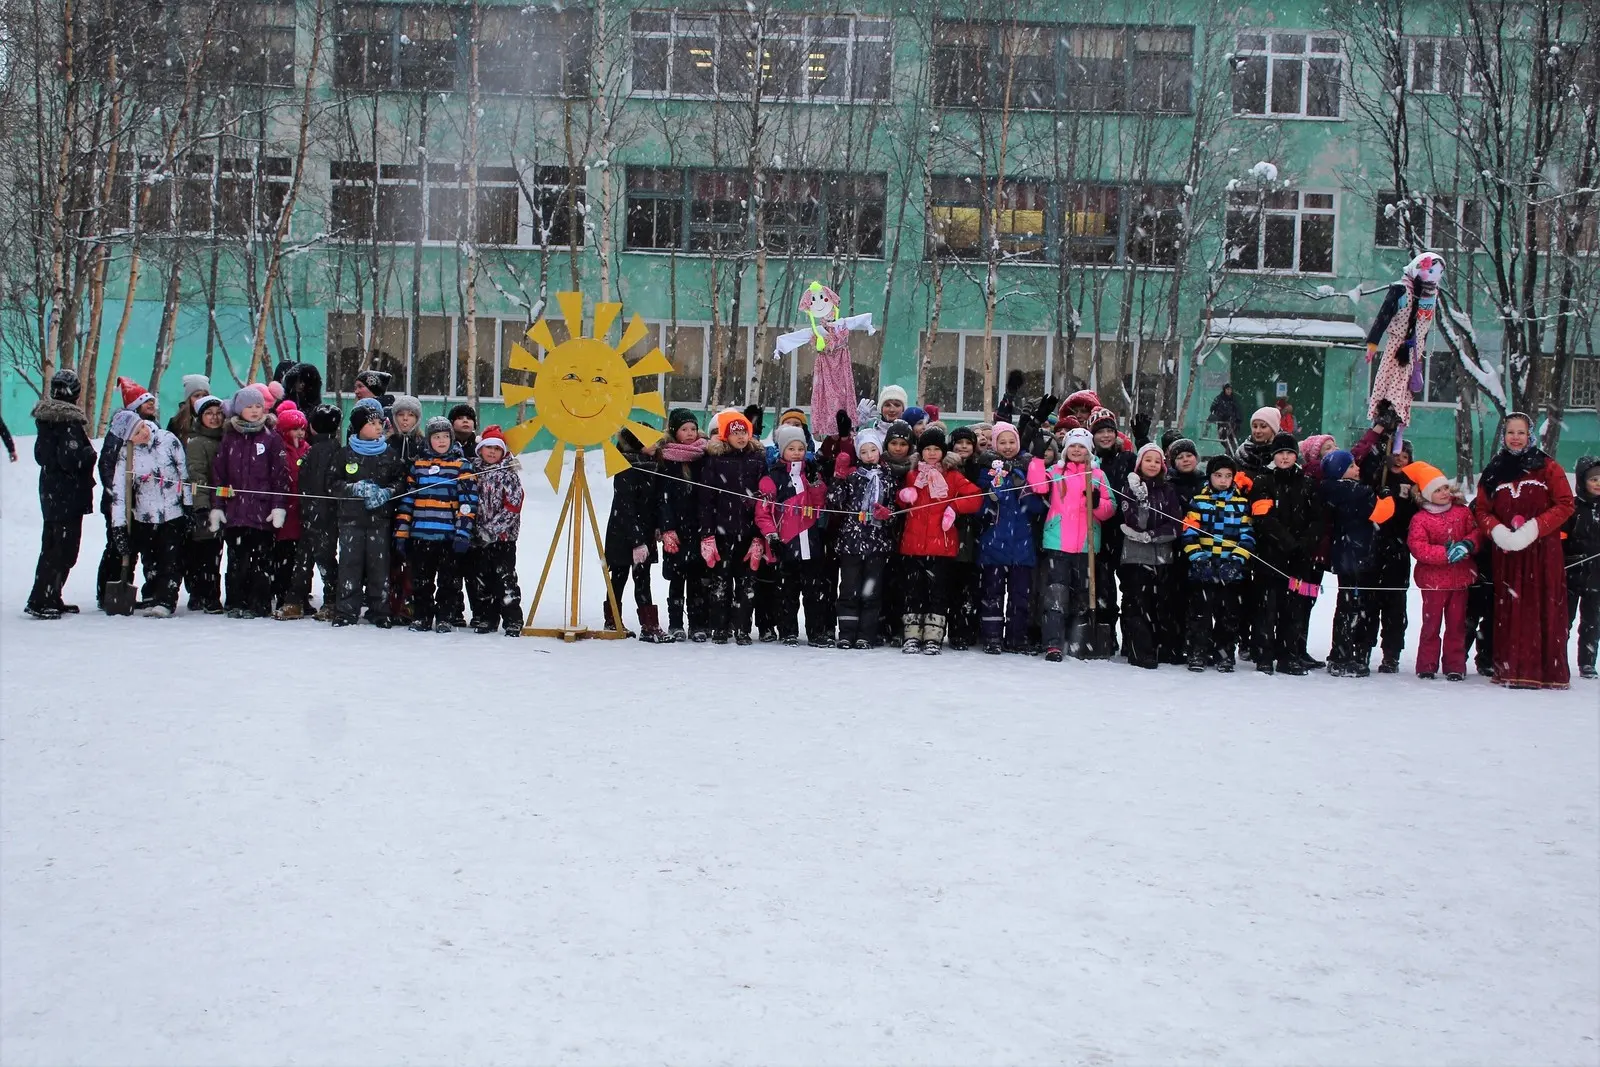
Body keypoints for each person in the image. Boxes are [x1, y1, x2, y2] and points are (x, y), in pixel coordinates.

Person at [1472, 414, 1574, 689]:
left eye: (1520, 432)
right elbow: (1481, 510)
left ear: (1530, 435)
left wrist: (1534, 528)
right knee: (1511, 607)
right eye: (1510, 432)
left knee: (1543, 606)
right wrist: (1498, 532)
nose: (1515, 437)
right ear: (1503, 435)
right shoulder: (1494, 470)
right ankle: (1512, 669)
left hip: (1543, 551)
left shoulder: (1548, 467)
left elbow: (1565, 504)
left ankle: (1545, 671)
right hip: (1508, 554)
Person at [895, 427, 983, 655]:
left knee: (938, 592)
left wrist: (955, 507)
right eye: (927, 449)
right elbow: (902, 502)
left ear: (943, 452)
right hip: (913, 546)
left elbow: (975, 497)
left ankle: (934, 636)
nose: (932, 453)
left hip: (942, 546)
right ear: (921, 452)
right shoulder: (913, 475)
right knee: (914, 591)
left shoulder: (952, 476)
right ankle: (912, 635)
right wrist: (904, 497)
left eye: (936, 449)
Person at [1034, 427, 1115, 661]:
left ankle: (1079, 640)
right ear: (1066, 449)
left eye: (1082, 446)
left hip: (1087, 545)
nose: (1077, 450)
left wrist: (1098, 503)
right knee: (1056, 595)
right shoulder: (1055, 471)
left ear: (1089, 450)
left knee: (1083, 595)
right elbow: (1038, 487)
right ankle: (1053, 643)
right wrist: (1038, 460)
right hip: (1057, 542)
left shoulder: (1098, 475)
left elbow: (1110, 510)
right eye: (1073, 446)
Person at [1246, 432, 1323, 675]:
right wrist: (1287, 542)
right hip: (1270, 556)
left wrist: (1305, 545)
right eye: (1280, 453)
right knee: (1268, 608)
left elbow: (1318, 519)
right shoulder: (1263, 482)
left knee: (1295, 608)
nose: (1285, 457)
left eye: (1289, 453)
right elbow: (1263, 518)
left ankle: (1289, 655)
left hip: (1300, 559)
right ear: (1273, 455)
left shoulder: (1308, 483)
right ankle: (1265, 655)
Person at [211, 385, 290, 619]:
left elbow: (280, 476)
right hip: (235, 513)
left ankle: (259, 603)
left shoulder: (271, 438)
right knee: (237, 560)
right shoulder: (229, 439)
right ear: (239, 409)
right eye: (249, 407)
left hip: (261, 512)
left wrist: (278, 506)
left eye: (258, 406)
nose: (255, 411)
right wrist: (217, 506)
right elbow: (219, 475)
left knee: (261, 561)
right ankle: (236, 601)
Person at [25, 368, 96, 619]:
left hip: (52, 492)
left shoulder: (47, 421)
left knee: (53, 546)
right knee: (62, 549)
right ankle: (43, 598)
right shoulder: (68, 422)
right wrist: (89, 455)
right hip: (67, 494)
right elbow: (71, 458)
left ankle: (48, 595)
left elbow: (42, 456)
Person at [395, 416, 477, 634]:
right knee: (421, 581)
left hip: (448, 537)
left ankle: (444, 617)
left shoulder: (461, 466)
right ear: (428, 440)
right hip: (421, 535)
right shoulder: (418, 466)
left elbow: (468, 503)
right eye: (436, 437)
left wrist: (463, 532)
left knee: (448, 582)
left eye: (445, 437)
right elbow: (407, 502)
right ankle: (422, 616)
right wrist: (402, 532)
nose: (441, 441)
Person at [328, 404, 405, 627]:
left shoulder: (389, 454)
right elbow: (331, 484)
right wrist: (354, 489)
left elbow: (400, 481)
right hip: (350, 520)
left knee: (378, 567)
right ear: (359, 427)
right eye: (372, 423)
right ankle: (346, 610)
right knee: (349, 565)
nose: (378, 427)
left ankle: (380, 610)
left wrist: (387, 493)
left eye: (380, 423)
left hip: (379, 520)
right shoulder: (345, 453)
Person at [106, 414, 191, 617]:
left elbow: (184, 475)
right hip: (144, 515)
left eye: (142, 426)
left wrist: (188, 506)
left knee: (171, 559)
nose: (143, 433)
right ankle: (152, 595)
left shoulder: (168, 440)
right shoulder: (127, 455)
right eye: (136, 433)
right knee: (151, 559)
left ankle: (166, 600)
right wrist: (118, 527)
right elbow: (120, 494)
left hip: (173, 512)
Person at [1405, 461, 1482, 680]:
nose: (1443, 493)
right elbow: (1419, 547)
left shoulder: (1462, 513)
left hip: (1459, 579)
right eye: (1437, 490)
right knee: (1431, 624)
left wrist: (1466, 545)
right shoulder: (1420, 519)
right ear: (1426, 494)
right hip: (1433, 582)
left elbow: (1476, 534)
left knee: (1457, 624)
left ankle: (1455, 665)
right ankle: (1427, 664)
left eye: (1445, 487)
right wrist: (1445, 554)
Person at [1351, 422, 1418, 673]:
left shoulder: (1413, 484)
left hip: (1398, 551)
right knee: (1368, 602)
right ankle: (1362, 648)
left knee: (1395, 605)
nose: (1399, 460)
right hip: (1372, 548)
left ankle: (1391, 652)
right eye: (1396, 455)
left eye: (1405, 456)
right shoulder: (1375, 477)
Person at [696, 409, 767, 644]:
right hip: (722, 532)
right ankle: (720, 627)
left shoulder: (757, 460)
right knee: (720, 583)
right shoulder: (714, 460)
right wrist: (707, 534)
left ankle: (743, 628)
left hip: (748, 533)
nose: (740, 437)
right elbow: (705, 500)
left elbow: (764, 502)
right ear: (725, 435)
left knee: (747, 584)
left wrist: (759, 536)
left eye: (744, 432)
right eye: (735, 432)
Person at [756, 424, 831, 646]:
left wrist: (816, 482)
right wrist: (772, 537)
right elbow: (763, 514)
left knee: (814, 592)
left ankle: (816, 632)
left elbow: (819, 506)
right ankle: (787, 630)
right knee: (786, 592)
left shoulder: (810, 473)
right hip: (786, 545)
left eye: (801, 447)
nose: (797, 452)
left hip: (811, 543)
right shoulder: (772, 478)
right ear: (782, 450)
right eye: (792, 448)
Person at [975, 422, 1047, 655]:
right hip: (994, 543)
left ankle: (1017, 637)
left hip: (1022, 544)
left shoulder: (1026, 468)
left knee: (1020, 595)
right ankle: (992, 636)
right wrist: (991, 499)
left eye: (1011, 442)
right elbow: (980, 508)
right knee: (992, 593)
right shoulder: (986, 470)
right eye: (1002, 442)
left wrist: (1023, 487)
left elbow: (1037, 507)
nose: (1007, 447)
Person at [1319, 449, 1391, 677]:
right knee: (1357, 608)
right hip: (1359, 555)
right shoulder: (1359, 492)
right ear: (1341, 471)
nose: (1357, 468)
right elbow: (1382, 513)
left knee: (1345, 605)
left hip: (1343, 554)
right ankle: (1349, 655)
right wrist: (1387, 495)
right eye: (1351, 466)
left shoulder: (1328, 490)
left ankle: (1340, 653)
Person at [1182, 454, 1254, 672]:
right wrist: (1198, 557)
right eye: (1218, 475)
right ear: (1210, 476)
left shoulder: (1241, 504)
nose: (1223, 480)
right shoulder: (1199, 501)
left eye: (1227, 476)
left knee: (1228, 615)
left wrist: (1236, 560)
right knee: (1200, 614)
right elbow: (1188, 533)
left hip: (1230, 571)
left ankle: (1224, 653)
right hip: (1203, 569)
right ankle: (1198, 652)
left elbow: (1248, 536)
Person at [1116, 443, 1184, 669]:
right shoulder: (1130, 488)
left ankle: (1162, 648)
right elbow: (1134, 523)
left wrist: (1151, 535)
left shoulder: (1168, 490)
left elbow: (1175, 526)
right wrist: (1142, 502)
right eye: (1148, 460)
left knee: (1162, 605)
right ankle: (1140, 651)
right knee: (1138, 605)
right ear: (1140, 464)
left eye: (1157, 461)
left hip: (1163, 556)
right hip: (1135, 558)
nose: (1153, 465)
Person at [829, 427, 897, 649]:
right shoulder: (853, 477)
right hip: (852, 542)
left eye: (873, 450)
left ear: (879, 451)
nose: (869, 455)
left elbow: (895, 507)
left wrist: (888, 514)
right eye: (864, 451)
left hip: (877, 542)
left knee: (872, 591)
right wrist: (838, 477)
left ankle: (866, 634)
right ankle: (847, 632)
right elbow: (834, 502)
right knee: (849, 589)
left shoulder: (888, 477)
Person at [603, 429, 662, 639]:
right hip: (623, 535)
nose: (656, 445)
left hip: (644, 535)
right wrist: (637, 541)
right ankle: (613, 621)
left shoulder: (653, 467)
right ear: (637, 443)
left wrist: (657, 527)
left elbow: (655, 503)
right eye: (650, 441)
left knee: (643, 579)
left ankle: (649, 625)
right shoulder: (625, 468)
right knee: (618, 578)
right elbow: (625, 507)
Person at [657, 408, 707, 642]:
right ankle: (675, 623)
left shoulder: (703, 456)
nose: (690, 433)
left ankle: (697, 624)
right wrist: (667, 528)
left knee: (697, 580)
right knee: (677, 579)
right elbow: (662, 497)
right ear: (674, 432)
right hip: (675, 530)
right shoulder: (666, 459)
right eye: (684, 429)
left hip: (698, 528)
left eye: (693, 429)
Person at [470, 426, 526, 637]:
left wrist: (491, 530)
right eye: (488, 448)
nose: (492, 452)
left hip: (503, 538)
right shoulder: (474, 472)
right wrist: (476, 530)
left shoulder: (508, 475)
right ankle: (487, 617)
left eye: (496, 448)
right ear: (480, 450)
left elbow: (513, 506)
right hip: (479, 538)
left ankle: (512, 618)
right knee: (483, 579)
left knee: (505, 579)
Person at [183, 395, 227, 614]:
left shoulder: (225, 438)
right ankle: (205, 594)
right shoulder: (197, 442)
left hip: (225, 502)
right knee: (205, 553)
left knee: (214, 552)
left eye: (218, 413)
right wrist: (201, 506)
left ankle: (207, 593)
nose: (215, 418)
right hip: (207, 505)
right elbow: (197, 475)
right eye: (209, 414)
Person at [299, 405, 344, 621]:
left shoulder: (315, 450)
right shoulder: (336, 449)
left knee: (320, 557)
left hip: (318, 511)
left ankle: (332, 600)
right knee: (319, 556)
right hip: (323, 510)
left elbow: (314, 482)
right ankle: (325, 599)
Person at [386, 395, 425, 623]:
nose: (405, 420)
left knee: (412, 560)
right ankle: (391, 603)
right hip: (390, 509)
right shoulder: (388, 444)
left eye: (410, 416)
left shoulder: (423, 444)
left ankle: (410, 603)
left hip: (416, 510)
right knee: (391, 560)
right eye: (401, 415)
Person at [1563, 456, 1599, 680]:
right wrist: (1568, 558)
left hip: (1597, 577)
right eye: (1593, 479)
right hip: (1571, 574)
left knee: (1592, 622)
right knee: (1563, 620)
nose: (1597, 483)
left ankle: (1587, 662)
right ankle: (1557, 659)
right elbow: (1560, 539)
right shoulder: (1571, 508)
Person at [166, 374, 211, 444]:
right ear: (188, 399)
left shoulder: (216, 420)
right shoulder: (176, 422)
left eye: (205, 395)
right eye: (196, 396)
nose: (201, 399)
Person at [1208, 383, 1242, 454]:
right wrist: (1217, 415)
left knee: (1231, 439)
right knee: (1223, 439)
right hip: (1222, 423)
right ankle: (1229, 452)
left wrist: (1237, 420)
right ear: (1224, 390)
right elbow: (1212, 408)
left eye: (1230, 389)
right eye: (1227, 389)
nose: (1229, 391)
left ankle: (1230, 453)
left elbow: (1237, 410)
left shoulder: (1233, 399)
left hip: (1231, 422)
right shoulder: (1219, 398)